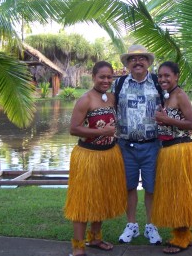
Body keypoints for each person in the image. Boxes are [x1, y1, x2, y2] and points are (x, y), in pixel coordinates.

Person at [64, 61, 127, 256]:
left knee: (100, 198)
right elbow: (74, 129)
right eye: (102, 77)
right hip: (88, 156)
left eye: (109, 77)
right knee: (82, 201)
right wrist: (101, 130)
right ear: (93, 77)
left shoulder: (112, 98)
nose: (106, 80)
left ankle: (95, 238)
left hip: (109, 155)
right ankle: (78, 246)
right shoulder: (85, 100)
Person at [153, 61, 192, 254]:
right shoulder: (167, 96)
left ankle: (181, 238)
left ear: (176, 76)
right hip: (170, 150)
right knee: (175, 193)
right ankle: (184, 234)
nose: (163, 79)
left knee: (180, 194)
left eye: (167, 75)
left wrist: (167, 119)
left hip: (181, 150)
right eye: (160, 76)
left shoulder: (180, 95)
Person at [113, 44, 163, 245]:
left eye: (142, 58)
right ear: (127, 64)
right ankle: (132, 225)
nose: (137, 62)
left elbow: (173, 106)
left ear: (148, 62)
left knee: (152, 188)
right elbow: (109, 106)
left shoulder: (159, 82)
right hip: (126, 146)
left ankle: (151, 226)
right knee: (129, 187)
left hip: (153, 145)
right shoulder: (120, 84)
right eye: (133, 59)